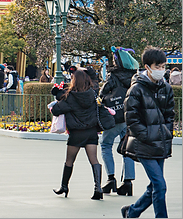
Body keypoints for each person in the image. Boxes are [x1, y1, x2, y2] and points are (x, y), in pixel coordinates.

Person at [120, 47, 175, 219]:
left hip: (160, 143)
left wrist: (165, 133)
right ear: (147, 66)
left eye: (162, 66)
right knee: (160, 185)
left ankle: (132, 211)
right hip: (144, 144)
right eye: (157, 66)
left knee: (154, 185)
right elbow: (132, 120)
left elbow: (170, 115)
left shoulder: (166, 88)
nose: (161, 69)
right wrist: (147, 136)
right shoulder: (136, 89)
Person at [50, 68, 103, 199]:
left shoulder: (70, 96)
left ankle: (64, 186)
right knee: (94, 160)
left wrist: (59, 95)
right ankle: (98, 188)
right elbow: (94, 77)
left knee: (69, 161)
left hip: (76, 133)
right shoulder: (92, 94)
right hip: (91, 132)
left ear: (74, 81)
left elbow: (56, 110)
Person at [100, 50, 136, 196]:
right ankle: (128, 182)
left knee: (106, 144)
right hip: (129, 117)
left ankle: (111, 179)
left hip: (115, 116)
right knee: (127, 148)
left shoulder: (113, 76)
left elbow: (103, 93)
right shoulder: (134, 75)